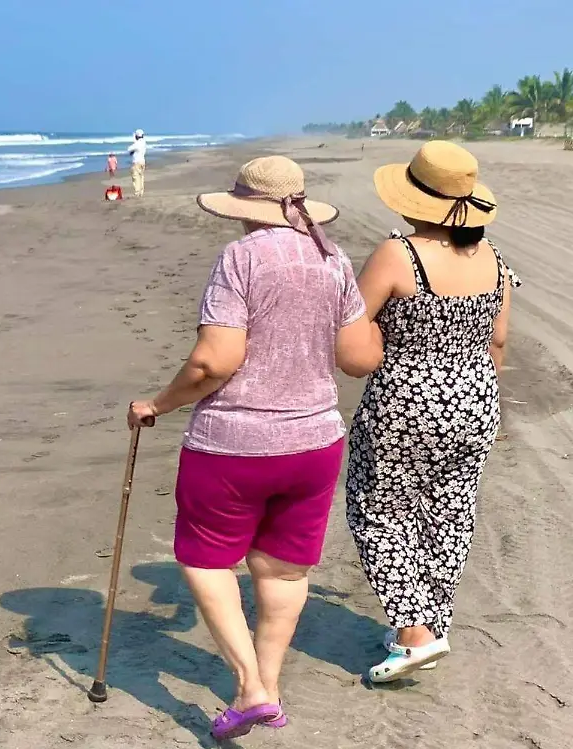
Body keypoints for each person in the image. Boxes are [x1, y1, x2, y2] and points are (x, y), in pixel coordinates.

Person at [126, 156, 383, 740]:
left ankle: (251, 685)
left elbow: (213, 361)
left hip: (233, 443)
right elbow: (357, 358)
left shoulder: (240, 258)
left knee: (205, 557)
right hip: (314, 441)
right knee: (284, 571)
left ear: (244, 209)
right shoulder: (332, 257)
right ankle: (268, 684)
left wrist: (158, 405)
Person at [347, 140, 521, 683]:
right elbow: (497, 342)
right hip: (476, 398)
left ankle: (416, 634)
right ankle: (432, 621)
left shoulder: (399, 254)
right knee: (448, 514)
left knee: (378, 512)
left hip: (406, 403)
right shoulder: (493, 257)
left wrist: (381, 338)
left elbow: (352, 351)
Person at [128, 130, 147, 197]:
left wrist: (134, 139)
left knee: (136, 178)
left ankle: (137, 192)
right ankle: (141, 192)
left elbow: (129, 149)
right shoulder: (143, 142)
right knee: (141, 177)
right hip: (142, 161)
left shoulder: (137, 143)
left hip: (136, 162)